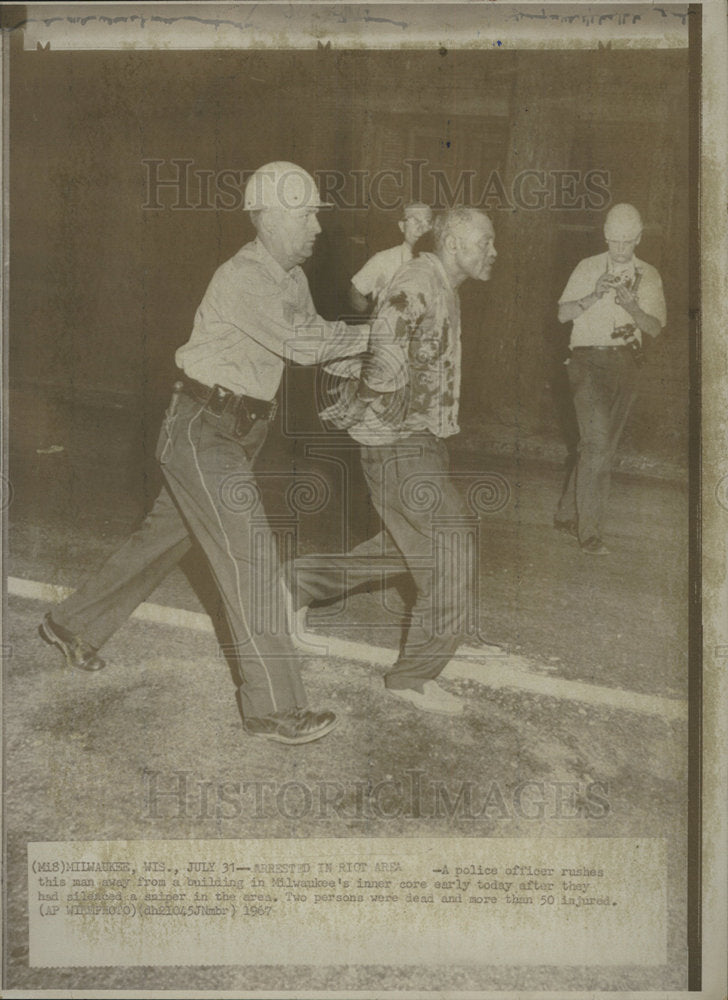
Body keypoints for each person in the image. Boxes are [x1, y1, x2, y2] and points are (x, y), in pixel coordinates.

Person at [39, 161, 370, 745]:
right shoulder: (243, 276)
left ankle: (71, 624)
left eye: (317, 211)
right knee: (252, 556)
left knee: (162, 538)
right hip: (201, 427)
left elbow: (317, 342)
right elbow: (302, 343)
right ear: (266, 218)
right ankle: (273, 708)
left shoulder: (289, 277)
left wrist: (368, 359)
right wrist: (379, 335)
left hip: (240, 431)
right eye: (305, 213)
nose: (318, 225)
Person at [289, 207, 497, 716]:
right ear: (452, 244)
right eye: (484, 243)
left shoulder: (441, 283)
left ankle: (292, 584)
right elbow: (385, 337)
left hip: (415, 441)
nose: (494, 252)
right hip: (399, 444)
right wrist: (365, 399)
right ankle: (413, 677)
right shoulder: (421, 279)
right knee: (451, 545)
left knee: (406, 551)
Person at [553, 203, 667, 555]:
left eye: (627, 243)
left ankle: (566, 514)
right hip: (587, 363)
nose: (620, 250)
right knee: (597, 444)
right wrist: (594, 294)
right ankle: (590, 534)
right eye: (614, 242)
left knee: (598, 447)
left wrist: (633, 307)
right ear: (605, 236)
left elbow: (656, 327)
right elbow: (561, 315)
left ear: (638, 238)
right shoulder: (587, 267)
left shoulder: (649, 274)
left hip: (626, 364)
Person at [349, 202, 433, 315]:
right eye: (415, 221)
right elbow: (355, 293)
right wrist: (372, 315)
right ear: (402, 226)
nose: (421, 228)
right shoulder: (383, 260)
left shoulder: (437, 262)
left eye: (427, 222)